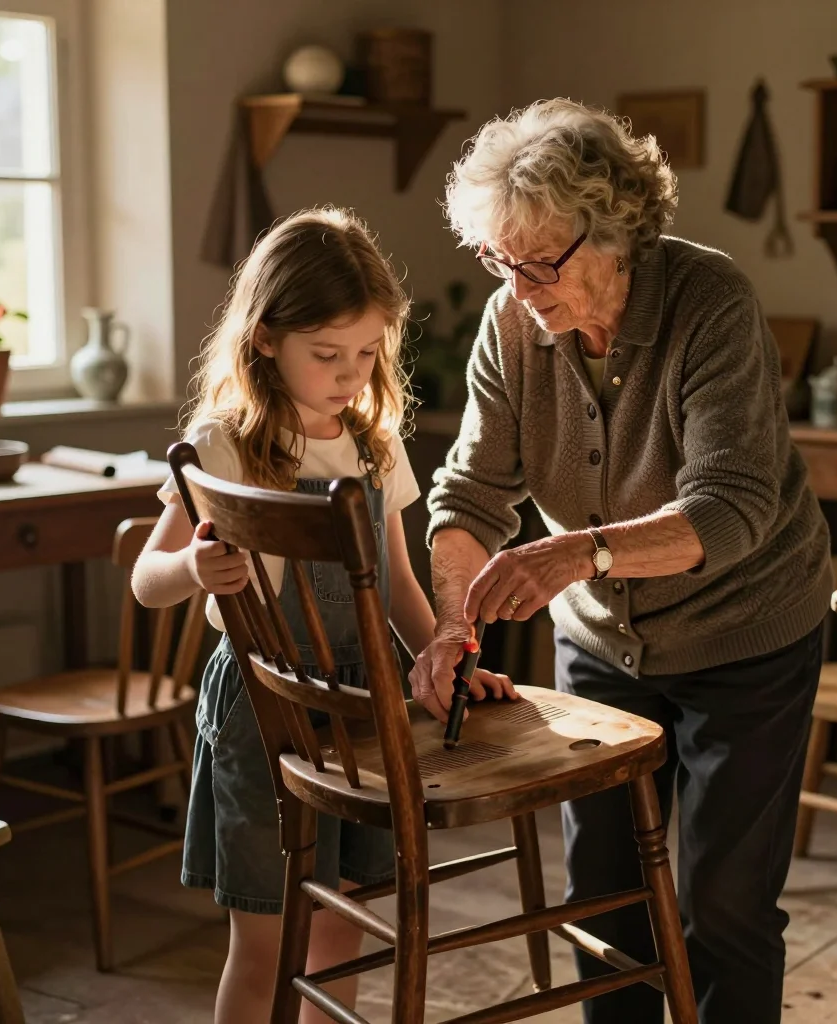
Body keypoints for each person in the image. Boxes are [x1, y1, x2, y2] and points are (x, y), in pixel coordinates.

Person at [409, 98, 833, 1024]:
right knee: (602, 900)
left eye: (538, 263)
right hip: (606, 647)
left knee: (723, 904)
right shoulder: (513, 322)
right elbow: (469, 494)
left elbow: (731, 510)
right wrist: (451, 624)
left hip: (747, 633)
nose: (518, 287)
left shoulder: (709, 302)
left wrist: (578, 554)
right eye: (497, 259)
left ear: (617, 235)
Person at [131, 207, 513, 1024]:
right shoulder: (225, 442)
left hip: (361, 707)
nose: (350, 374)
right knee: (266, 941)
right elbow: (145, 579)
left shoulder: (374, 441)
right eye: (327, 354)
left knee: (342, 929)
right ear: (266, 337)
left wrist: (448, 655)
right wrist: (193, 566)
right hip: (265, 711)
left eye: (369, 352)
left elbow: (401, 585)